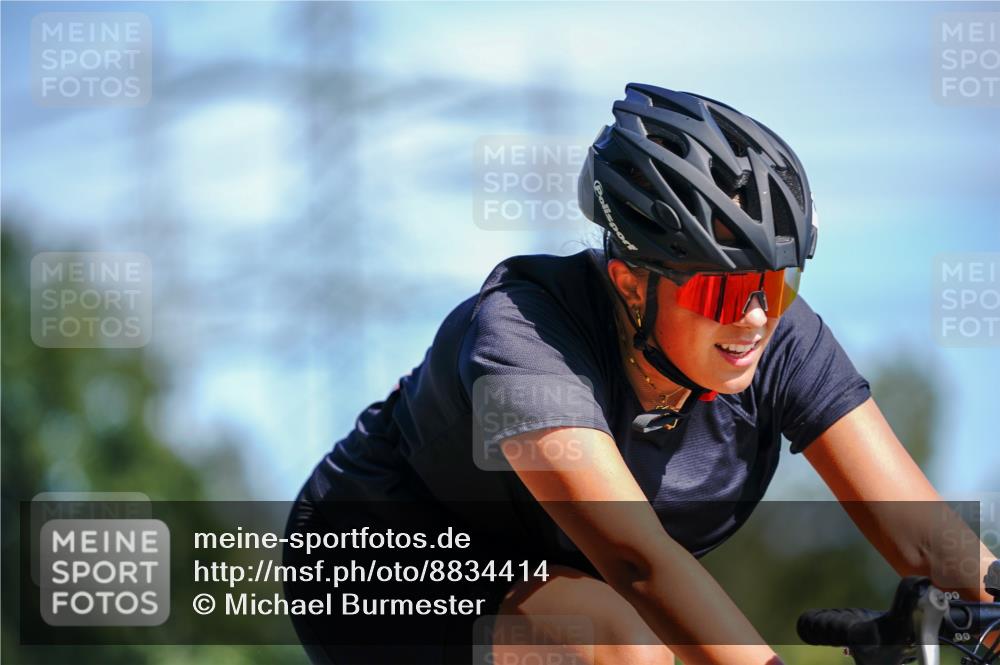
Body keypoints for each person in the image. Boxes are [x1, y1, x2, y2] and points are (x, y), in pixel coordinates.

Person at [283, 83, 996, 665]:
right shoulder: (525, 339)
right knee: (624, 646)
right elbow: (639, 564)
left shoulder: (773, 338)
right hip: (383, 561)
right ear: (630, 281)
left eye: (777, 284)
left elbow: (930, 539)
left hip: (565, 578)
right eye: (720, 290)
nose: (753, 318)